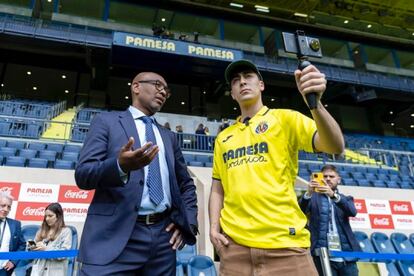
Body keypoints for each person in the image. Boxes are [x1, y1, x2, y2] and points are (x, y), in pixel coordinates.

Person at [209, 59, 344, 275]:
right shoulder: (223, 137)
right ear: (232, 93)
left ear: (261, 85)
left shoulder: (285, 119)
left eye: (248, 77)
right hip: (235, 251)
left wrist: (315, 104)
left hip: (286, 247)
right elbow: (218, 187)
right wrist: (213, 227)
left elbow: (334, 145)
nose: (242, 82)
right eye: (236, 81)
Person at [75, 71, 198, 275]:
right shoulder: (106, 122)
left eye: (166, 90)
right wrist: (120, 166)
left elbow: (186, 185)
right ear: (136, 87)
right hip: (113, 238)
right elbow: (84, 174)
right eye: (157, 85)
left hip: (163, 241)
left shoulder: (169, 137)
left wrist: (187, 223)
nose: (163, 92)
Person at [299, 165, 361, 276]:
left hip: (346, 256)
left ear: (338, 179)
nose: (328, 179)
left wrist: (332, 195)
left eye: (331, 176)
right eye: (325, 176)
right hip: (322, 255)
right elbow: (299, 213)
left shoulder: (345, 198)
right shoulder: (312, 198)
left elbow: (352, 212)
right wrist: (308, 193)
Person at [29, 203, 72, 276]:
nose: (47, 219)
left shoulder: (66, 231)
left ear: (58, 216)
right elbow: (32, 253)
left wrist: (46, 249)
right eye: (46, 216)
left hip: (55, 272)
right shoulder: (41, 230)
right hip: (38, 271)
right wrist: (32, 246)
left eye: (50, 216)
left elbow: (64, 254)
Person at [0, 192, 25, 276]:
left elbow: (22, 245)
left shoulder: (15, 224)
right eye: (3, 205)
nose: (6, 209)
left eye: (9, 207)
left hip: (3, 270)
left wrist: (13, 262)